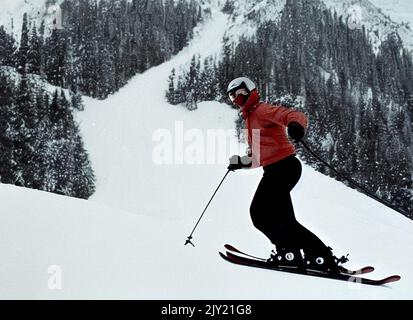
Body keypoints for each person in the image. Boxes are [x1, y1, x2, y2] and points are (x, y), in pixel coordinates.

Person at [226, 77, 347, 274]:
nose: (235, 98)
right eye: (232, 96)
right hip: (277, 170)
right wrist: (240, 163)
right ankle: (319, 257)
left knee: (259, 213)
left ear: (249, 90)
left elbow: (293, 114)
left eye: (238, 92)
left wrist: (295, 125)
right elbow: (257, 158)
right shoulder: (250, 120)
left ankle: (289, 253)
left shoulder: (261, 110)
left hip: (284, 168)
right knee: (286, 222)